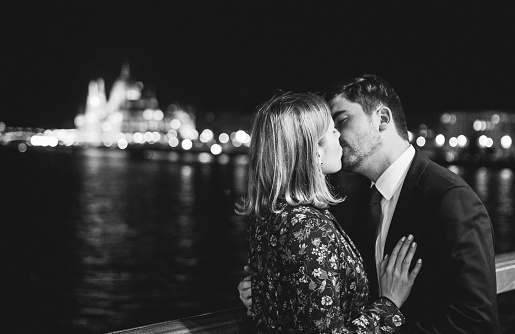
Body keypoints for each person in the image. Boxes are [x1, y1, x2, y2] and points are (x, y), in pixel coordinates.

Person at [239, 75, 501, 333]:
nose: (336, 135)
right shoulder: (357, 201)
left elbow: (476, 320)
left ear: (382, 119)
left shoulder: (450, 199)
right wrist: (280, 287)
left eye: (341, 120)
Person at [238, 91, 422, 333]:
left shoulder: (272, 214)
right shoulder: (308, 229)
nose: (338, 134)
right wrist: (388, 304)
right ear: (315, 151)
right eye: (330, 129)